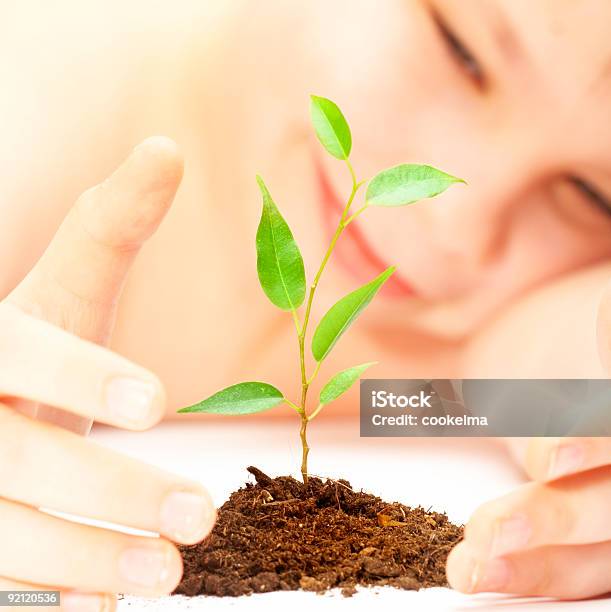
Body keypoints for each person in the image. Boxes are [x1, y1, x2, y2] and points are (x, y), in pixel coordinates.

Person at [2, 0, 611, 606]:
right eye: (461, 50)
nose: (453, 220)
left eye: (591, 196)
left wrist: (575, 360)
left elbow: (514, 381)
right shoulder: (28, 124)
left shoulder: (461, 346)